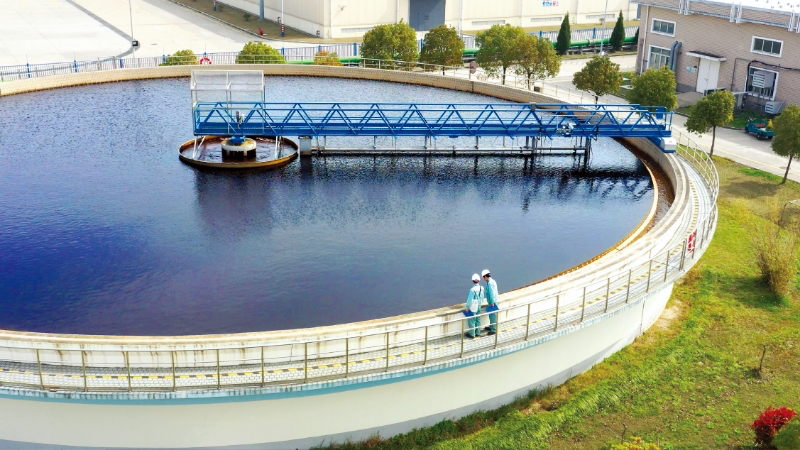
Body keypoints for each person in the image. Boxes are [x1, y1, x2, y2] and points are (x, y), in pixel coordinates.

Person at [464, 273, 484, 339]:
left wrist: (467, 307)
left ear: (472, 281)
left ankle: (472, 334)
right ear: (479, 280)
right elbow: (482, 297)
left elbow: (469, 300)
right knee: (478, 319)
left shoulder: (472, 290)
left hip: (473, 307)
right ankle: (478, 332)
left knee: (471, 320)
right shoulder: (482, 288)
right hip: (479, 305)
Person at [482, 269, 499, 335]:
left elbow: (491, 293)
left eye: (483, 277)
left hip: (493, 303)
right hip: (493, 302)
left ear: (485, 276)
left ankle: (493, 330)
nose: (483, 279)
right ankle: (491, 326)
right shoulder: (492, 281)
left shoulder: (490, 283)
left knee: (492, 316)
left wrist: (491, 302)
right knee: (491, 315)